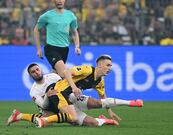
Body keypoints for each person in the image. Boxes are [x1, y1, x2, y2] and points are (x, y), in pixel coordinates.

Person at [7, 61, 143, 127]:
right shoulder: (33, 91)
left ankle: (128, 103)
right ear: (31, 76)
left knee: (95, 103)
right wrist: (48, 95)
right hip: (49, 107)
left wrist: (74, 88)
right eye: (33, 72)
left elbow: (65, 84)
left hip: (68, 98)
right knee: (89, 123)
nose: (37, 72)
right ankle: (19, 115)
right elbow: (43, 104)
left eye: (37, 69)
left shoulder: (53, 77)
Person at [33, 0, 81, 99]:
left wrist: (77, 46)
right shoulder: (47, 16)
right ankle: (75, 90)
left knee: (55, 77)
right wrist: (38, 48)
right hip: (51, 48)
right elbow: (36, 29)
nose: (59, 1)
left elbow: (74, 31)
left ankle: (46, 98)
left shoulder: (70, 16)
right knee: (64, 73)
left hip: (64, 49)